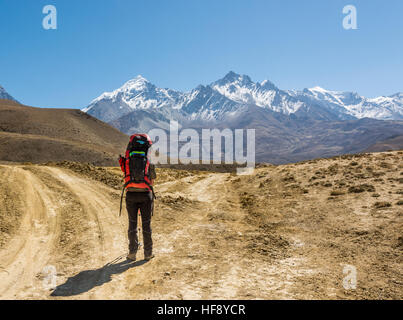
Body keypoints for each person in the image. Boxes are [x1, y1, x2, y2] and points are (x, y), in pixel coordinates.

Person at [119, 133, 156, 262]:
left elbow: (124, 170)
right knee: (146, 224)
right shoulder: (148, 158)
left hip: (130, 193)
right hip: (145, 193)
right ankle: (148, 253)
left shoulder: (129, 158)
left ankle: (132, 253)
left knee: (132, 224)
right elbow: (153, 178)